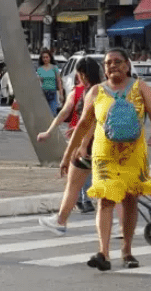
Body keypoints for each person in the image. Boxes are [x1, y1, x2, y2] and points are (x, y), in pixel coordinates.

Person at [62, 48, 151, 271]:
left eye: (117, 62)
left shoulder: (139, 87)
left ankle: (127, 251)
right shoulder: (96, 92)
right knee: (105, 200)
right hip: (104, 156)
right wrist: (68, 155)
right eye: (108, 63)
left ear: (127, 65)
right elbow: (83, 125)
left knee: (129, 201)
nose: (112, 66)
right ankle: (103, 253)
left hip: (132, 155)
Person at [39, 56, 105, 234]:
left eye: (78, 74)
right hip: (103, 145)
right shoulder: (103, 89)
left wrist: (82, 145)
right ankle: (119, 225)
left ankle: (61, 221)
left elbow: (90, 122)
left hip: (90, 147)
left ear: (83, 74)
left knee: (73, 185)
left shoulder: (91, 91)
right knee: (105, 188)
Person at [35, 48, 61, 115]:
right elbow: (37, 82)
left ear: (50, 58)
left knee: (53, 114)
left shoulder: (54, 68)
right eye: (43, 57)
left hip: (52, 93)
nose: (45, 59)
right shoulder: (40, 69)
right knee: (44, 115)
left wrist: (61, 94)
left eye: (47, 57)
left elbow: (59, 81)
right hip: (43, 94)